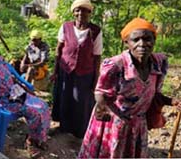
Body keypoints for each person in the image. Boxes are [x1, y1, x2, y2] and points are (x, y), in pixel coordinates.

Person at [78, 17, 181, 158]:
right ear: (126, 42)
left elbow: (153, 93)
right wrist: (101, 107)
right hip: (113, 123)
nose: (142, 44)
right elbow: (101, 92)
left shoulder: (158, 63)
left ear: (154, 40)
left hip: (138, 125)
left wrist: (172, 101)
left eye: (147, 39)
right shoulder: (116, 65)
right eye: (136, 39)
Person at [0, 39, 50, 158]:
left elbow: (11, 76)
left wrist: (24, 87)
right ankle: (30, 141)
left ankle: (38, 137)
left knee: (43, 106)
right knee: (34, 112)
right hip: (5, 100)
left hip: (17, 92)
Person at [50, 0, 102, 138]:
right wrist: (55, 71)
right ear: (74, 13)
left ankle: (79, 132)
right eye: (78, 10)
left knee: (81, 102)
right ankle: (63, 127)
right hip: (65, 70)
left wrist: (95, 80)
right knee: (64, 98)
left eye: (85, 11)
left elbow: (97, 57)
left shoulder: (95, 31)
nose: (81, 14)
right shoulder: (66, 27)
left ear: (90, 13)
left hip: (85, 73)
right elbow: (58, 50)